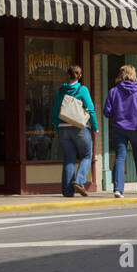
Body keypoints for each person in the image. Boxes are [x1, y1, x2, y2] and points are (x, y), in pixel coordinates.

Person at [104, 65, 137, 198]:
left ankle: (118, 189)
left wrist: (117, 114)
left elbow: (107, 112)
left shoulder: (114, 91)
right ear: (133, 74)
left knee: (120, 157)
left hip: (119, 129)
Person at [51, 65, 97, 197]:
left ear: (68, 75)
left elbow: (55, 110)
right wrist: (95, 127)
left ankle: (67, 191)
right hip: (79, 127)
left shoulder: (61, 90)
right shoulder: (82, 90)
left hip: (62, 128)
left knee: (69, 158)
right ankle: (79, 181)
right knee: (87, 155)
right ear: (80, 76)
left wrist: (57, 127)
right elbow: (91, 109)